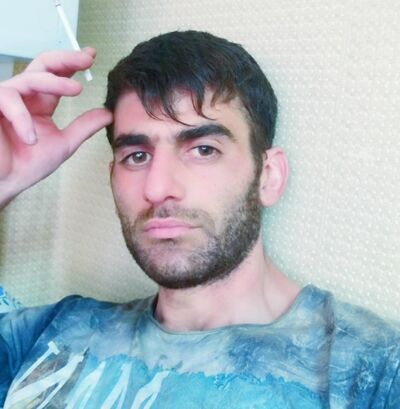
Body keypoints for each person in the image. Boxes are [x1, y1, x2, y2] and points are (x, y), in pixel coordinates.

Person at [0, 31, 398, 408]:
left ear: (269, 176)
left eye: (204, 149)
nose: (158, 188)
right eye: (136, 156)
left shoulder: (371, 371)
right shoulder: (52, 334)